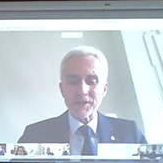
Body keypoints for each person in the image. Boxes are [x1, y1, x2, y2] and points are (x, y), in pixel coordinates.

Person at [18, 46, 147, 155]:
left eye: (91, 81)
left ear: (104, 89)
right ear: (62, 89)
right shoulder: (34, 135)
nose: (82, 90)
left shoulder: (130, 133)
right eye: (73, 81)